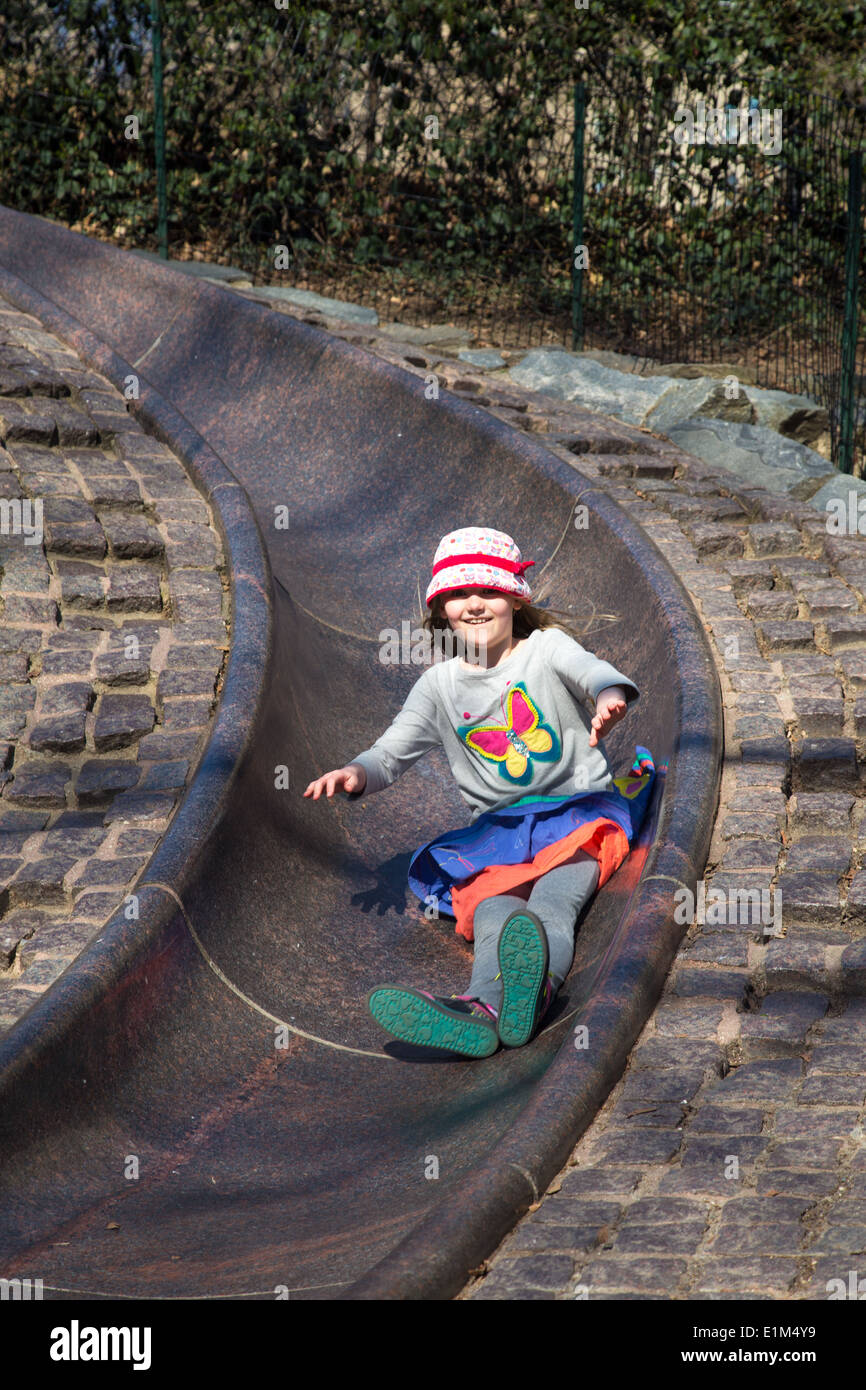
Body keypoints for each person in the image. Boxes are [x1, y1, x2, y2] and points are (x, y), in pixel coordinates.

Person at [303, 526, 655, 1058]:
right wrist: (355, 772)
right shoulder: (438, 686)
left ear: (515, 598)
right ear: (441, 607)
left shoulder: (544, 649)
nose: (475, 604)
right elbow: (391, 751)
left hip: (578, 815)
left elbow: (590, 671)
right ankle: (483, 1008)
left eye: (488, 592)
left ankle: (534, 993)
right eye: (460, 595)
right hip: (500, 835)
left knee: (553, 907)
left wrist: (607, 695)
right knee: (495, 916)